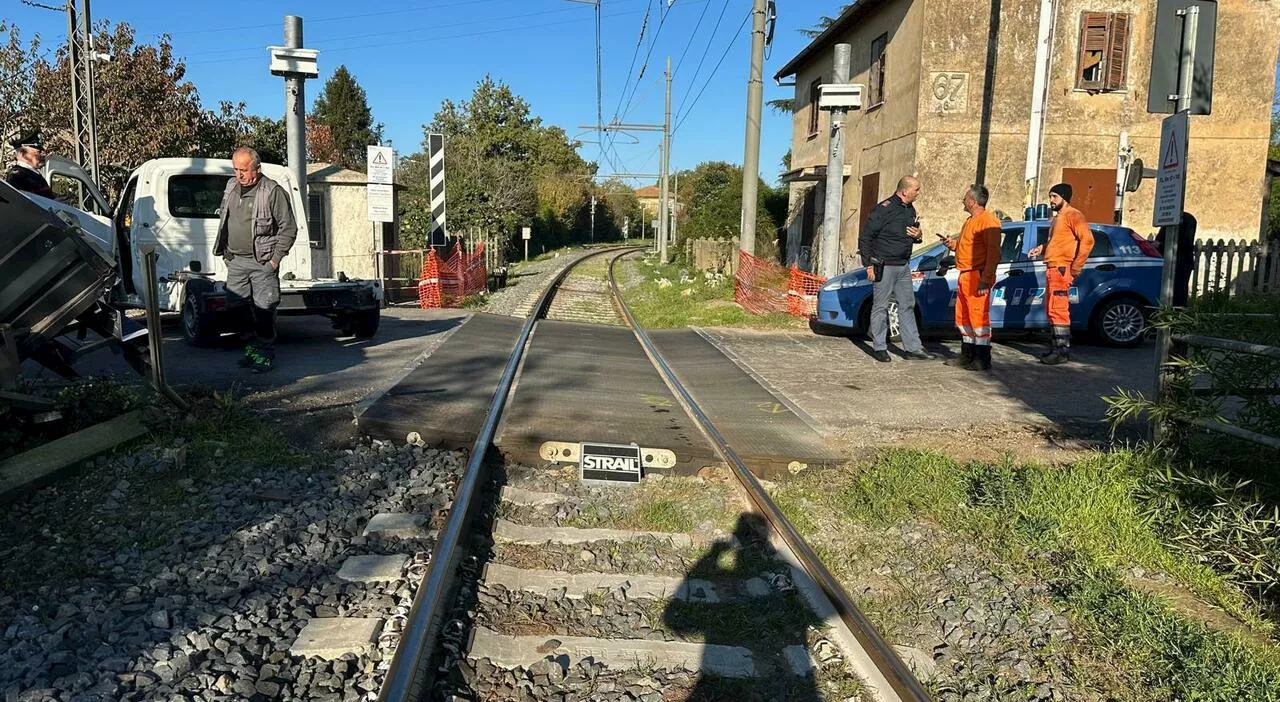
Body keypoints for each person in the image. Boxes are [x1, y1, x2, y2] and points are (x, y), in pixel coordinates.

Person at [212, 147, 298, 373]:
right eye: (236, 169)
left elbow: (288, 229)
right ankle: (252, 350)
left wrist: (275, 260)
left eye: (244, 170)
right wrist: (226, 255)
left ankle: (264, 355)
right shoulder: (231, 186)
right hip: (236, 261)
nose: (239, 175)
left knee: (264, 310)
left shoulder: (272, 191)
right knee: (236, 307)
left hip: (262, 262)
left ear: (257, 169)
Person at [858, 175, 933, 362]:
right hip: (884, 266)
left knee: (907, 305)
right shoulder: (884, 209)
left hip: (903, 266)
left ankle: (913, 348)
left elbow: (912, 234)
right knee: (880, 306)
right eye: (916, 189)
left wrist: (918, 235)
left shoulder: (910, 209)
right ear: (905, 190)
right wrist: (868, 264)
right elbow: (866, 237)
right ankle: (880, 347)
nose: (918, 193)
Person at [1027, 183, 1093, 365]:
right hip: (1054, 268)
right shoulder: (1058, 218)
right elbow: (1058, 242)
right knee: (1052, 310)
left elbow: (1087, 241)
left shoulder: (1073, 215)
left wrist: (1075, 268)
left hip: (1061, 269)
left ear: (1064, 197)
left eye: (1054, 196)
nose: (1051, 200)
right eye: (1050, 196)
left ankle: (1062, 351)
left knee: (1059, 310)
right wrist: (1041, 249)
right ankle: (1056, 348)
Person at [938, 184, 1002, 371]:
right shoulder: (970, 221)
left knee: (978, 317)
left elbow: (993, 252)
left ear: (973, 202)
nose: (963, 201)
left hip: (977, 274)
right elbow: (968, 246)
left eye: (965, 198)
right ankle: (967, 353)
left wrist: (986, 277)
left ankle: (982, 358)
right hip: (966, 274)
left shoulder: (988, 221)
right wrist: (953, 245)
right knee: (964, 316)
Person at [1154, 212, 1197, 307]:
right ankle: (1178, 312)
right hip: (1183, 261)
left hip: (1176, 261)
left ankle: (1174, 311)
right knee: (1180, 289)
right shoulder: (1186, 219)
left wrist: (1159, 245)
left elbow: (1176, 242)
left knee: (1177, 289)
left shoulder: (1178, 221)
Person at [5, 129, 56, 200]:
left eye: (43, 151)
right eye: (39, 151)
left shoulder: (32, 174)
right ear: (22, 154)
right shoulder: (17, 177)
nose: (44, 154)